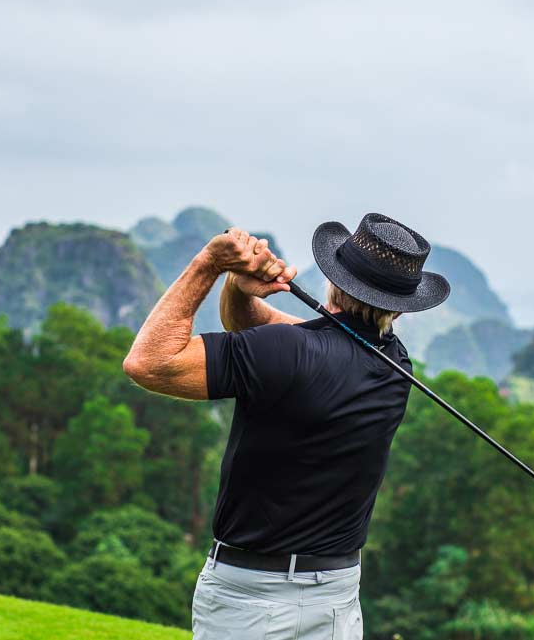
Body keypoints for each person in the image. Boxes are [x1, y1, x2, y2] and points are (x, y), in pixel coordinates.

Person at [124, 213, 450, 640]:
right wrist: (239, 288)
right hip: (336, 599)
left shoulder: (287, 352)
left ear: (333, 280)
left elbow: (148, 364)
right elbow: (263, 338)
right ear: (401, 308)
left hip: (249, 599)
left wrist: (210, 263)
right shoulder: (394, 365)